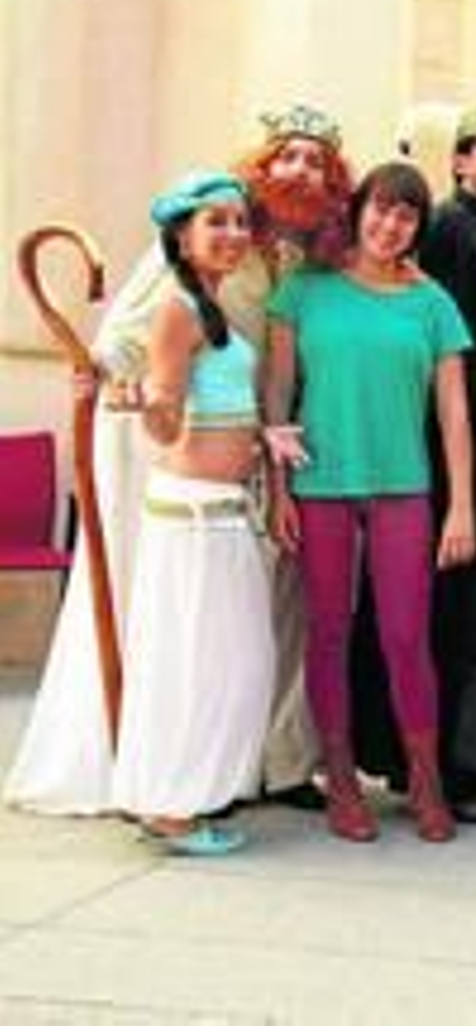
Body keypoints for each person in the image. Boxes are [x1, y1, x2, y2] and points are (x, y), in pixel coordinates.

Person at [5, 104, 352, 816]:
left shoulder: (302, 258)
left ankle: (270, 760)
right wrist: (105, 371)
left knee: (260, 622)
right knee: (185, 623)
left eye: (317, 161)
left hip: (260, 457)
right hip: (180, 459)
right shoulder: (206, 245)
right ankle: (160, 764)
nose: (301, 170)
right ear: (261, 165)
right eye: (288, 155)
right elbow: (131, 333)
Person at [350, 103, 476, 823]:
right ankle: (433, 763)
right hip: (444, 454)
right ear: (460, 161)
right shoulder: (440, 231)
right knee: (443, 611)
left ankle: (475, 757)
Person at [265, 161, 476, 844]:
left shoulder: (433, 302)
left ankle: (424, 777)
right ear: (359, 211)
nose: (391, 225)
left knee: (406, 636)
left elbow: (454, 414)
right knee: (328, 629)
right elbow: (277, 395)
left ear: (419, 227)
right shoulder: (305, 289)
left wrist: (462, 505)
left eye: (407, 215)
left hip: (402, 488)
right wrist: (278, 491)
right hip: (320, 485)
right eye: (381, 210)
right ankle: (341, 778)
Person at [109, 171, 275, 856]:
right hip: (194, 516)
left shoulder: (211, 305)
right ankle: (171, 808)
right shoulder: (177, 307)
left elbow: (216, 408)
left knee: (233, 660)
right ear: (182, 234)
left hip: (222, 510)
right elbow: (167, 418)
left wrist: (267, 437)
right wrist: (144, 400)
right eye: (217, 221)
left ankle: (186, 794)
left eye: (240, 221)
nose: (234, 234)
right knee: (194, 659)